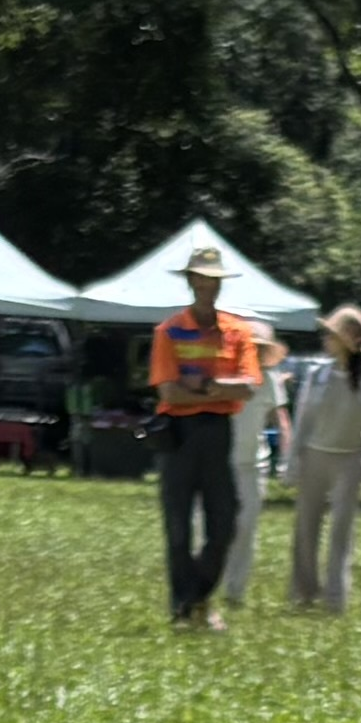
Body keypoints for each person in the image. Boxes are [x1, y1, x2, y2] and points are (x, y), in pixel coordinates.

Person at [149, 245, 274, 629]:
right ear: (190, 282)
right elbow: (168, 393)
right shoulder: (168, 331)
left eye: (214, 280)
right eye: (201, 278)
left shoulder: (238, 333)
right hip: (178, 436)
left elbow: (249, 387)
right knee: (178, 526)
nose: (207, 286)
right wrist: (220, 389)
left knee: (225, 522)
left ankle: (197, 596)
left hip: (219, 433)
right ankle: (184, 607)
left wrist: (202, 383)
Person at [286, 304, 361, 611]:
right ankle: (304, 592)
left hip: (350, 460)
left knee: (341, 533)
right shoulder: (317, 374)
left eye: (332, 334)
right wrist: (293, 463)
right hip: (315, 458)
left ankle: (335, 598)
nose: (326, 339)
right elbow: (302, 422)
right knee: (306, 530)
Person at [220, 319, 287, 616]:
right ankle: (208, 585)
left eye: (260, 349)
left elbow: (281, 421)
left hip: (252, 466)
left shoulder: (270, 381)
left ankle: (235, 591)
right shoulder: (223, 375)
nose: (255, 353)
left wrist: (287, 460)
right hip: (218, 463)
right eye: (251, 347)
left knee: (245, 529)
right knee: (212, 529)